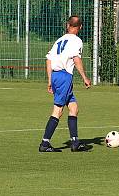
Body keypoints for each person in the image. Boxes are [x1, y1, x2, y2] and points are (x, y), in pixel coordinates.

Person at [39, 15, 91, 152]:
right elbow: (76, 59)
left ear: (68, 25)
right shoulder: (77, 41)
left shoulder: (59, 40)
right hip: (64, 76)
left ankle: (75, 142)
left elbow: (48, 60)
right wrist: (85, 77)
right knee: (58, 110)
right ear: (80, 27)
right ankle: (45, 143)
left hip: (56, 75)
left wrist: (50, 80)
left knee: (73, 108)